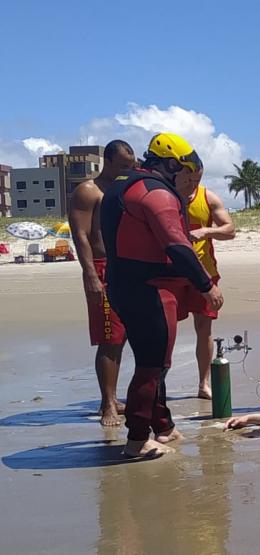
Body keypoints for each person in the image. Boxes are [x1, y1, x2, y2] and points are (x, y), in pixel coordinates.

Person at [100, 132, 224, 459]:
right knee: (152, 365)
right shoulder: (156, 193)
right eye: (188, 176)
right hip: (149, 289)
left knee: (154, 362)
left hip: (124, 285)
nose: (190, 185)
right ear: (171, 166)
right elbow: (177, 246)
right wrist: (206, 286)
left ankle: (163, 426)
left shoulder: (124, 185)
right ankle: (137, 440)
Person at [68, 139, 137, 426]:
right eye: (122, 165)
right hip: (102, 267)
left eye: (130, 166)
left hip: (127, 267)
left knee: (128, 335)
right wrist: (91, 275)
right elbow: (80, 235)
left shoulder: (125, 187)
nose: (126, 170)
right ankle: (107, 403)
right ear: (107, 162)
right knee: (110, 338)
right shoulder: (88, 191)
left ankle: (114, 398)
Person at [174, 170, 236, 399]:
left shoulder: (207, 197)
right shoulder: (166, 195)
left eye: (197, 179)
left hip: (204, 273)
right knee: (166, 328)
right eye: (188, 179)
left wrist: (207, 231)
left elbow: (230, 230)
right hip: (172, 274)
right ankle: (158, 382)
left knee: (204, 328)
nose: (192, 183)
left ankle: (204, 382)